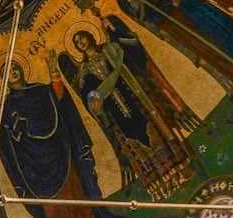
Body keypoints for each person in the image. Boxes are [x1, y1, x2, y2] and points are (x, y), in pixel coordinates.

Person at [60, 21, 194, 197]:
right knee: (138, 146)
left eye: (81, 38)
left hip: (135, 100)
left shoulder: (110, 49)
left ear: (90, 36)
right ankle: (162, 185)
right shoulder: (84, 71)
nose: (80, 43)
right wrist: (97, 108)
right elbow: (91, 98)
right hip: (117, 115)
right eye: (76, 42)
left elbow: (134, 57)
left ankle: (182, 171)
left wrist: (114, 30)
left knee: (155, 134)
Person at [0, 64, 115, 218]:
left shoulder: (41, 90)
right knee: (49, 202)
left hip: (57, 149)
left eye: (15, 68)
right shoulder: (8, 105)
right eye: (7, 71)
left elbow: (58, 99)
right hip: (32, 159)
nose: (13, 73)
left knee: (71, 190)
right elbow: (4, 130)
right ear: (4, 80)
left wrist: (55, 77)